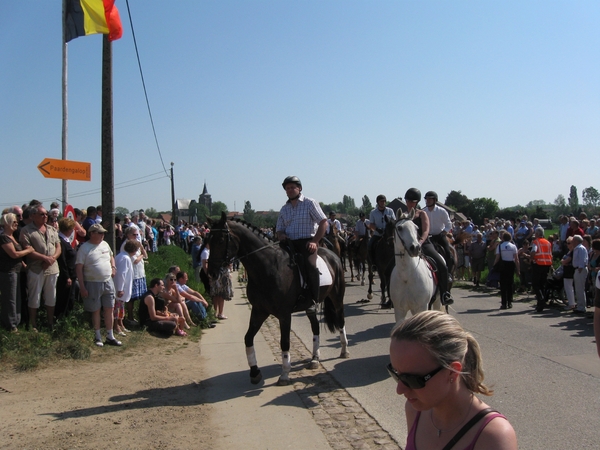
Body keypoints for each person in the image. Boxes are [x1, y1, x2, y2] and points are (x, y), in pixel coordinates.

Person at [389, 310, 517, 450]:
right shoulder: (415, 410)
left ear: (452, 372)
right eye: (396, 374)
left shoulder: (493, 437)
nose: (399, 390)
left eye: (412, 379)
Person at [276, 176, 328, 308]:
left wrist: (315, 241)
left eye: (293, 187)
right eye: (287, 188)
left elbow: (323, 222)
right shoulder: (284, 209)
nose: (290, 190)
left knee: (311, 266)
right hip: (289, 244)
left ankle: (313, 301)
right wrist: (281, 235)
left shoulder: (309, 203)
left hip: (307, 243)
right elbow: (279, 230)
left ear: (299, 188)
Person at [404, 188, 453, 306]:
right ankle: (390, 295)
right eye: (408, 201)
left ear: (416, 202)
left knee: (441, 264)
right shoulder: (404, 215)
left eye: (412, 201)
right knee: (390, 264)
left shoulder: (422, 213)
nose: (410, 203)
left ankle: (444, 293)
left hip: (424, 243)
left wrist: (420, 242)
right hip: (407, 246)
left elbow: (426, 231)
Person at [75, 223, 121, 347]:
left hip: (107, 281)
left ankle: (110, 335)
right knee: (96, 309)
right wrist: (82, 286)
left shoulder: (105, 244)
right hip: (92, 282)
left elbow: (111, 256)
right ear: (92, 233)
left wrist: (113, 266)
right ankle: (97, 336)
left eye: (103, 233)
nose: (102, 235)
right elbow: (79, 268)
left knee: (109, 308)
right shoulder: (84, 248)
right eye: (100, 233)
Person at [19, 205, 62, 330]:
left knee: (51, 297)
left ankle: (50, 323)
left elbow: (58, 247)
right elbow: (28, 250)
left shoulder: (51, 229)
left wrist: (51, 259)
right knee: (34, 297)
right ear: (33, 216)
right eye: (42, 214)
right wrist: (44, 258)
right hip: (36, 268)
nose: (45, 216)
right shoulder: (26, 230)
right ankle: (33, 324)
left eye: (46, 214)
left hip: (52, 268)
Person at [0, 213, 34, 332]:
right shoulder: (4, 237)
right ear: (7, 223)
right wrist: (28, 250)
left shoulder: (12, 237)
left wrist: (24, 265)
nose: (16, 224)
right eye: (14, 222)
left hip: (17, 271)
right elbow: (13, 254)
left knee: (17, 297)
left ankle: (16, 321)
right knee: (10, 299)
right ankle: (10, 325)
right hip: (8, 272)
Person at [423, 191, 455, 283]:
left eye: (430, 199)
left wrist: (444, 232)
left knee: (448, 253)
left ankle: (448, 273)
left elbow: (449, 224)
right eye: (426, 199)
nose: (428, 201)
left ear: (435, 200)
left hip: (439, 236)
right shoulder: (423, 212)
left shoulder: (442, 211)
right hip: (428, 237)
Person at [113, 240, 140, 336]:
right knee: (117, 308)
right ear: (133, 250)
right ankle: (116, 326)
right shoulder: (125, 258)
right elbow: (121, 274)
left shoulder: (123, 256)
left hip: (122, 287)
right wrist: (120, 288)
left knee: (121, 307)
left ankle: (121, 324)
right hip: (120, 287)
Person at [55, 217, 78, 319]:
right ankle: (61, 319)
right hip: (66, 276)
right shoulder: (61, 241)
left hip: (72, 274)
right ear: (69, 229)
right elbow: (62, 261)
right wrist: (67, 277)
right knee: (64, 299)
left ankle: (67, 318)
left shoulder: (66, 240)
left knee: (71, 298)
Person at [528, 227, 553, 312]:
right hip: (547, 265)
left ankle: (541, 299)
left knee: (535, 284)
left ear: (537, 234)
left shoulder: (536, 242)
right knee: (542, 284)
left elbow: (534, 251)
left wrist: (531, 257)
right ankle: (540, 304)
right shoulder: (548, 242)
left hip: (538, 264)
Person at [368, 194, 396, 266]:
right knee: (370, 245)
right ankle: (373, 263)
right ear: (378, 202)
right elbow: (371, 224)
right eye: (381, 201)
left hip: (389, 235)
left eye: (384, 201)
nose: (383, 203)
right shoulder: (373, 212)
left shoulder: (390, 211)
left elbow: (394, 222)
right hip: (378, 234)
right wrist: (377, 229)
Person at [494, 232, 519, 310]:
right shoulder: (513, 246)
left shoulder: (500, 246)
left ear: (503, 238)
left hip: (503, 265)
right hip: (511, 265)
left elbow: (497, 257)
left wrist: (494, 266)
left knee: (503, 285)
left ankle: (504, 303)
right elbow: (516, 259)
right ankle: (510, 302)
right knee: (510, 284)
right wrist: (518, 269)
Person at [571, 235, 589, 314]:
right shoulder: (577, 248)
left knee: (580, 289)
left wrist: (580, 268)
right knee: (578, 289)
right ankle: (579, 305)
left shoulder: (581, 248)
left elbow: (582, 259)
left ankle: (582, 307)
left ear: (576, 241)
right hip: (577, 269)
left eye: (573, 241)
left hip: (580, 269)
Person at [561, 237, 576, 311]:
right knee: (568, 288)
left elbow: (567, 260)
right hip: (567, 271)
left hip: (569, 271)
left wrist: (563, 262)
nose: (567, 245)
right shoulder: (569, 252)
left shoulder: (573, 251)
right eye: (567, 243)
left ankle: (571, 304)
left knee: (569, 288)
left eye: (569, 243)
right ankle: (571, 303)